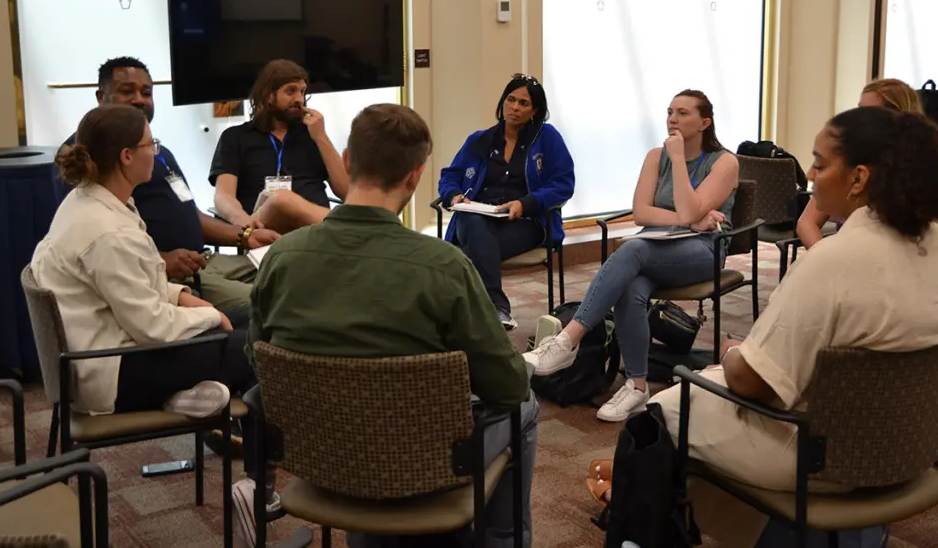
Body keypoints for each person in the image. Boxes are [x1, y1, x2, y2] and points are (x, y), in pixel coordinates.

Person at [651, 106, 938, 547]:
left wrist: (728, 355)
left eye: (820, 163)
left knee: (662, 413)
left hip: (823, 460)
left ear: (859, 179)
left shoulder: (835, 260)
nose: (809, 172)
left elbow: (753, 382)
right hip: (916, 446)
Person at [244, 104, 536, 548]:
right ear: (415, 177)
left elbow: (258, 359)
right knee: (527, 406)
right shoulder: (444, 265)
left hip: (321, 456)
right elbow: (507, 385)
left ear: (345, 160)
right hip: (425, 463)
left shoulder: (282, 258)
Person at [524, 89, 739, 422]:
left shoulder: (725, 162)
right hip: (655, 243)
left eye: (683, 113)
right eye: (670, 112)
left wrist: (681, 164)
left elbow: (690, 207)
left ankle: (568, 340)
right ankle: (638, 386)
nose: (672, 119)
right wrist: (690, 218)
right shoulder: (656, 156)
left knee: (633, 248)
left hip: (702, 250)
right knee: (632, 286)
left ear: (705, 122)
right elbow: (641, 213)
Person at [31, 104, 255, 419]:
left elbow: (139, 284)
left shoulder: (90, 200)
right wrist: (210, 315)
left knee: (252, 324)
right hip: (116, 370)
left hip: (116, 347)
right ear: (126, 156)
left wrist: (183, 297)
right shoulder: (106, 232)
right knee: (258, 349)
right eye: (150, 144)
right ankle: (255, 455)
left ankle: (179, 397)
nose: (155, 151)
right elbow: (153, 327)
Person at [59, 57, 280, 319]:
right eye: (127, 91)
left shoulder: (158, 152)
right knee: (272, 302)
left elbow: (190, 213)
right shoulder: (87, 156)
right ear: (101, 96)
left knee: (286, 267)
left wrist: (244, 236)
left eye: (147, 92)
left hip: (204, 260)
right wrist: (162, 261)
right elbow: (105, 248)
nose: (139, 99)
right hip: (165, 277)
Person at [438, 74, 575, 328]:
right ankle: (497, 307)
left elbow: (563, 183)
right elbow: (450, 176)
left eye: (523, 103)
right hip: (475, 218)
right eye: (511, 99)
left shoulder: (547, 138)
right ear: (502, 102)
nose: (515, 107)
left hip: (525, 222)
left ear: (534, 110)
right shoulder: (479, 139)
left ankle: (469, 313)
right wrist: (454, 195)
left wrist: (526, 203)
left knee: (471, 251)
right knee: (474, 223)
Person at [210, 59, 349, 234]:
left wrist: (321, 137)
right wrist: (241, 219)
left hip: (317, 234)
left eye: (302, 91)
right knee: (281, 201)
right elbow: (223, 196)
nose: (299, 99)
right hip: (265, 234)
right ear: (269, 95)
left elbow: (347, 193)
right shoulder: (235, 137)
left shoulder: (312, 135)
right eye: (290, 91)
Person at [795, 78, 924, 249]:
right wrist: (828, 259)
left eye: (867, 111)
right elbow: (807, 222)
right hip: (849, 255)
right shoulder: (845, 157)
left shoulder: (921, 170)